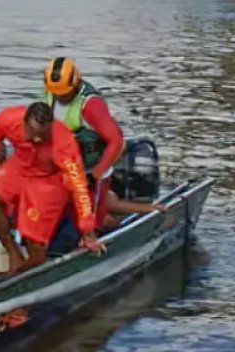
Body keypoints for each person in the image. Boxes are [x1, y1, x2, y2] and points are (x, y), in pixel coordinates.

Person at [0, 102, 101, 272]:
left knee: (34, 239)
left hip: (48, 179)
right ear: (24, 122)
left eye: (42, 135)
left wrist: (87, 229)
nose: (37, 139)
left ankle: (33, 268)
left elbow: (79, 186)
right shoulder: (10, 118)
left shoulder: (63, 144)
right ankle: (13, 252)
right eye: (33, 132)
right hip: (21, 165)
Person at [42, 57, 163, 231]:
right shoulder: (50, 93)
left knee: (94, 218)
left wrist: (96, 174)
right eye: (56, 93)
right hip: (68, 164)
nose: (60, 97)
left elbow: (116, 141)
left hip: (92, 166)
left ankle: (106, 220)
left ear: (75, 84)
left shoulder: (91, 105)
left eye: (64, 94)